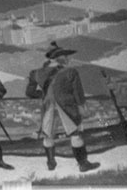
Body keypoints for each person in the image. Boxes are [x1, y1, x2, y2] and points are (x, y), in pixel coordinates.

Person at [31, 43, 100, 172]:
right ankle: (83, 164)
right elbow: (78, 93)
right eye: (65, 56)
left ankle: (51, 163)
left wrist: (45, 96)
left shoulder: (36, 73)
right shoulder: (71, 71)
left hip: (48, 107)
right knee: (75, 134)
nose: (68, 59)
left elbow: (29, 92)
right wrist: (81, 107)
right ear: (58, 58)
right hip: (67, 107)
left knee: (48, 135)